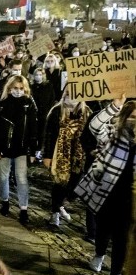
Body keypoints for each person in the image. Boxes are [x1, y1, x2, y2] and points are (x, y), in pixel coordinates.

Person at [75, 98, 136, 275]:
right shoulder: (112, 133)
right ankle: (99, 255)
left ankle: (115, 274)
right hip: (107, 192)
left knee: (123, 238)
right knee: (104, 228)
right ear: (125, 117)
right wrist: (115, 106)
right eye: (132, 117)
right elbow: (94, 126)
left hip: (130, 198)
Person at [0, 75, 38, 225]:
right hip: (4, 148)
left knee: (21, 178)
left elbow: (33, 128)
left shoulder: (28, 104)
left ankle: (24, 209)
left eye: (21, 88)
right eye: (15, 88)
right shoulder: (1, 103)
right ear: (9, 88)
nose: (18, 91)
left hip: (21, 147)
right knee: (3, 177)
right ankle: (5, 201)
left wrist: (33, 150)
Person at [42, 91, 92, 227]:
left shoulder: (86, 112)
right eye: (70, 93)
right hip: (60, 154)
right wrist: (46, 155)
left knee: (76, 183)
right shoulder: (57, 111)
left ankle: (60, 204)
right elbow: (49, 135)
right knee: (60, 183)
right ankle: (55, 213)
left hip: (78, 156)